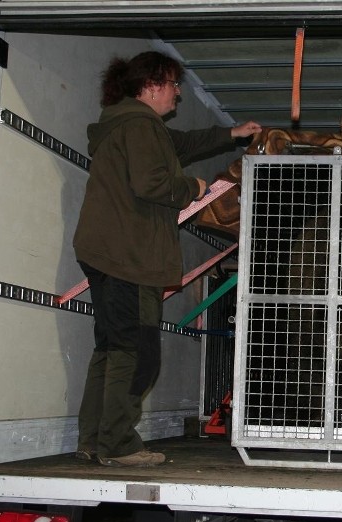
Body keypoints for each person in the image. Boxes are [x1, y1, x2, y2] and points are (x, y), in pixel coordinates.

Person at [72, 51, 262, 467]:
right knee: (136, 352)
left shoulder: (131, 126)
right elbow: (153, 182)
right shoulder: (140, 126)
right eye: (175, 85)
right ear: (153, 84)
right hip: (128, 257)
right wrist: (192, 187)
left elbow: (182, 143)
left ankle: (94, 439)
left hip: (107, 253)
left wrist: (232, 134)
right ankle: (119, 444)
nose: (178, 95)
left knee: (111, 348)